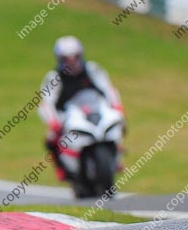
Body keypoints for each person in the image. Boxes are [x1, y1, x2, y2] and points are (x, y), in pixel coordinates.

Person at [38, 36, 124, 180]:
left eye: (75, 57)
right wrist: (54, 123)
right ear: (60, 58)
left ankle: (116, 157)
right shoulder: (54, 78)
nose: (72, 62)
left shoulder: (92, 69)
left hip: (95, 109)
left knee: (119, 123)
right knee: (51, 140)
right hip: (69, 115)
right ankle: (62, 169)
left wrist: (117, 108)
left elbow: (109, 90)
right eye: (67, 59)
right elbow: (47, 103)